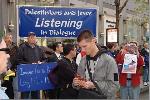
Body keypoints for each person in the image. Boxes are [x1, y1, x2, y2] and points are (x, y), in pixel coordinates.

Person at [73, 30, 119, 99]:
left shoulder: (110, 61)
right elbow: (79, 78)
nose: (82, 50)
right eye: (80, 47)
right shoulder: (83, 60)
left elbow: (115, 85)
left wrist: (94, 85)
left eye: (84, 46)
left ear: (93, 41)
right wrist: (76, 83)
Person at [17, 32, 46, 99]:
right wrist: (29, 65)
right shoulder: (22, 48)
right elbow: (18, 60)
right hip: (26, 77)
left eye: (34, 37)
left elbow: (45, 59)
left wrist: (41, 63)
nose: (33, 39)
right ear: (28, 38)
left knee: (36, 96)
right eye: (31, 37)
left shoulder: (39, 49)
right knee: (25, 96)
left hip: (36, 77)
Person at [1, 34, 18, 99]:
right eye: (8, 38)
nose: (9, 40)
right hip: (3, 71)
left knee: (9, 86)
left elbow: (16, 59)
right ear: (5, 39)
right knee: (4, 85)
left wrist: (13, 69)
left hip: (10, 71)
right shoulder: (2, 47)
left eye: (11, 38)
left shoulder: (14, 48)